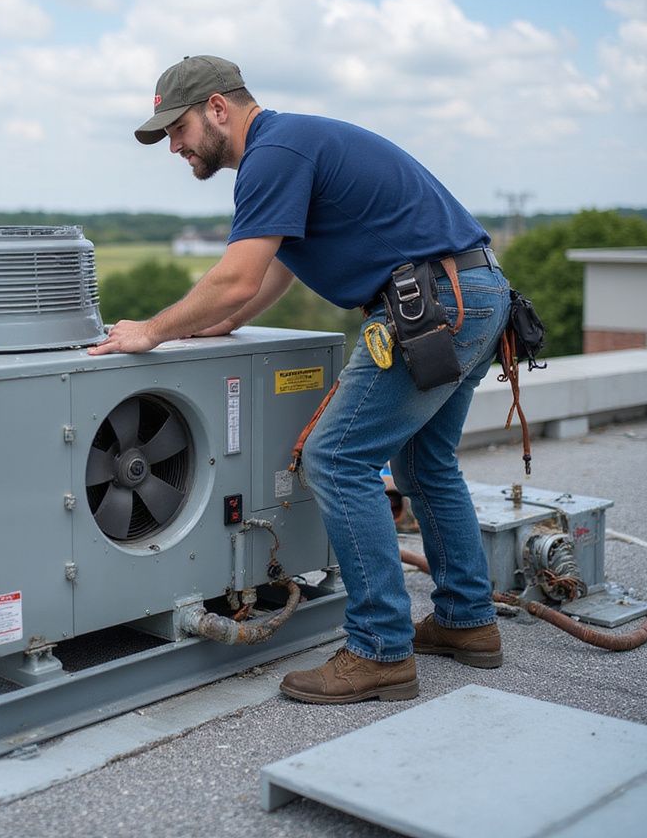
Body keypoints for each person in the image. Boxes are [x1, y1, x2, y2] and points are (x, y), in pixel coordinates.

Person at [88, 55, 510, 704]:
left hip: (430, 307)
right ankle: (467, 622)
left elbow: (237, 275)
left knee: (336, 457)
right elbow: (271, 276)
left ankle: (380, 653)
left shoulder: (272, 153)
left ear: (219, 109)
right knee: (426, 465)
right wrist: (211, 325)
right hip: (474, 293)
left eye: (178, 128)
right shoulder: (294, 145)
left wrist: (153, 329)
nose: (173, 145)